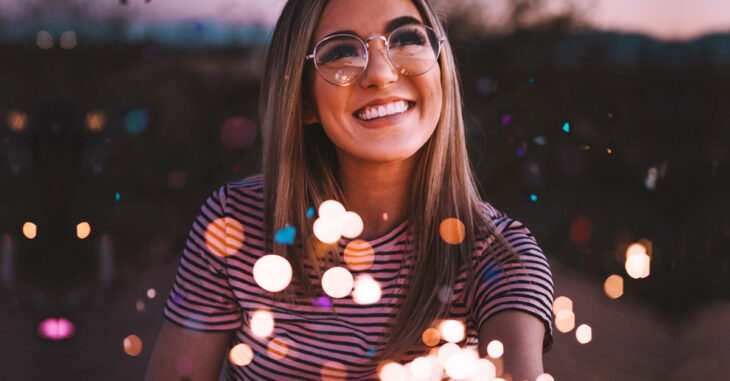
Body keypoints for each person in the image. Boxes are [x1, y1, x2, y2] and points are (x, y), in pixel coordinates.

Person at [145, 0, 554, 380]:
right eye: (341, 52)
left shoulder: (501, 259)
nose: (380, 73)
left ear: (441, 67)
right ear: (303, 101)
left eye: (408, 39)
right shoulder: (234, 224)